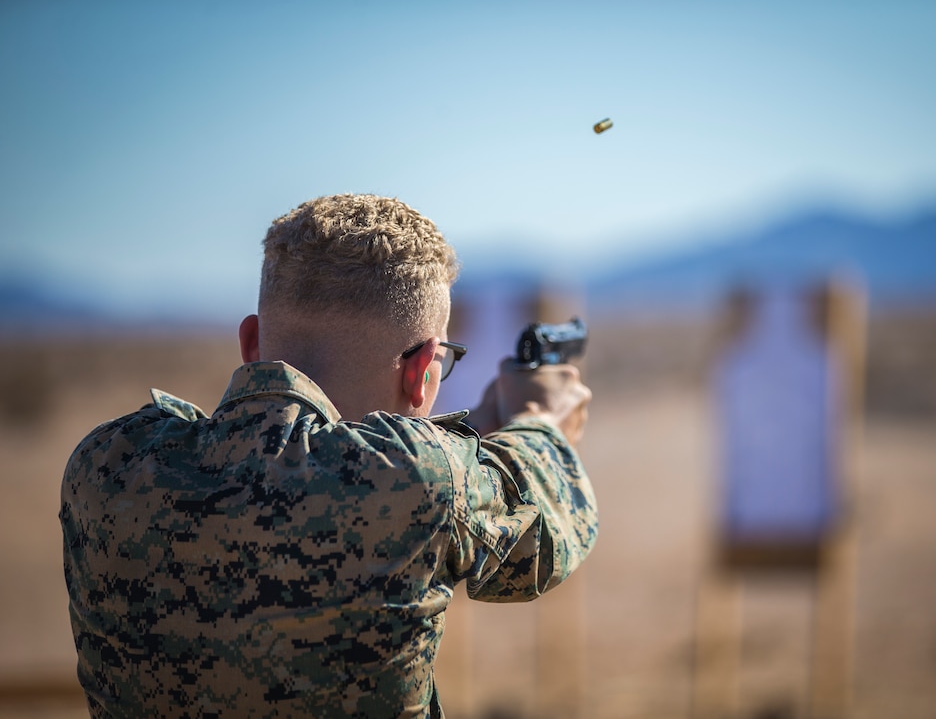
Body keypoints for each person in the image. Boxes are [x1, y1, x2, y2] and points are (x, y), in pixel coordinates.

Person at [59, 194, 598, 717]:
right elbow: (546, 533)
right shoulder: (419, 481)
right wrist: (542, 421)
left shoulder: (105, 465)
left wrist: (477, 425)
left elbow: (326, 460)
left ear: (251, 344)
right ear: (423, 372)